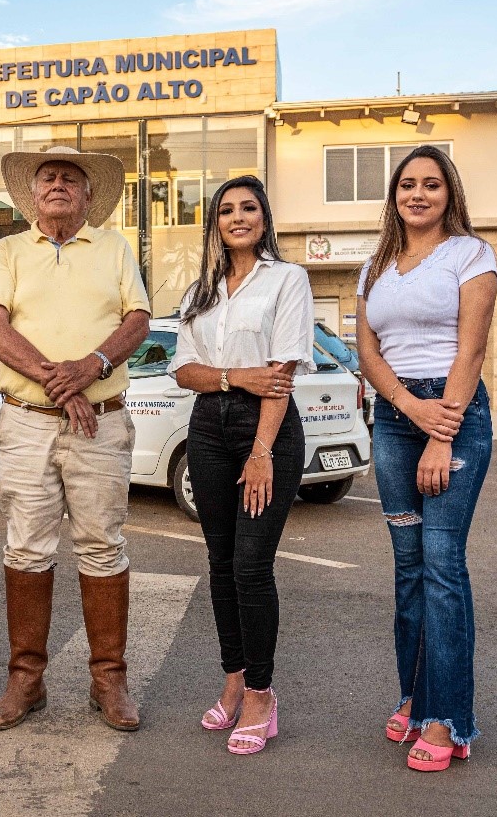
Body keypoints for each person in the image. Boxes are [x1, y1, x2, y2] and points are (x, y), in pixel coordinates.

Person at [0, 146, 151, 732]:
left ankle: (110, 678)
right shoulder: (8, 250)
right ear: (33, 193)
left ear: (86, 194)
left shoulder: (114, 246)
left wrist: (95, 363)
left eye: (68, 178)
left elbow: (138, 320)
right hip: (26, 419)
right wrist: (63, 380)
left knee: (102, 543)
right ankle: (25, 680)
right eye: (47, 177)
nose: (56, 184)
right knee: (26, 546)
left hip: (100, 420)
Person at [355, 145, 497, 772]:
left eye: (431, 184)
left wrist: (440, 432)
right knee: (407, 568)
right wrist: (410, 411)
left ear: (449, 193)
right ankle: (415, 698)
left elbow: (472, 350)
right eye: (407, 184)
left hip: (454, 414)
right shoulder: (374, 265)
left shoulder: (472, 254)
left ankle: (449, 720)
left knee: (442, 565)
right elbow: (369, 352)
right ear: (395, 196)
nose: (417, 194)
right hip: (396, 416)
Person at [168, 175, 313, 755]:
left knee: (252, 567)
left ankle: (260, 694)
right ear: (215, 224)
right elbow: (183, 369)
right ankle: (232, 680)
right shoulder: (200, 289)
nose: (237, 218)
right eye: (226, 210)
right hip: (206, 427)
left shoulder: (287, 279)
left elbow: (280, 373)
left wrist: (260, 453)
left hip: (266, 430)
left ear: (263, 217)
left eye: (248, 208)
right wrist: (233, 377)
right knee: (221, 563)